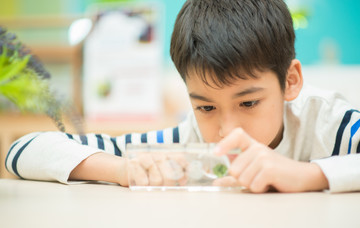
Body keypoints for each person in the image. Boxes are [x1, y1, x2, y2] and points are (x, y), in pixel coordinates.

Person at [5, 0, 360, 193]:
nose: (227, 130)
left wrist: (308, 175)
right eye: (205, 106)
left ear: (290, 81)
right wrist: (120, 169)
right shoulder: (184, 140)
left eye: (248, 102)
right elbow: (22, 151)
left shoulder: (330, 124)